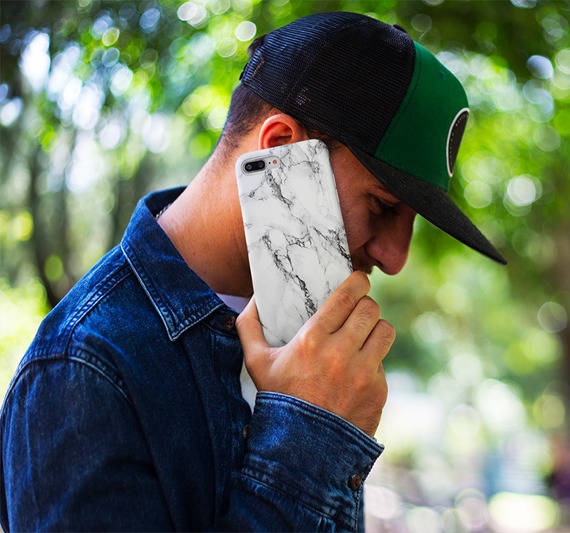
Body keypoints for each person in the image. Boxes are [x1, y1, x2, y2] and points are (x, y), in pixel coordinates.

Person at [0, 11, 506, 531]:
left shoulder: (307, 340)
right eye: (382, 205)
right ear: (281, 147)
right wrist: (310, 433)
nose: (395, 258)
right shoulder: (82, 368)